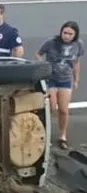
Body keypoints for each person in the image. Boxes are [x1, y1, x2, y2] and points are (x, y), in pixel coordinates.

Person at [37, 21, 83, 150]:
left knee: (63, 110)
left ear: (75, 35)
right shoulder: (51, 42)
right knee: (51, 108)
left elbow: (76, 62)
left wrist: (76, 79)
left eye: (70, 34)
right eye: (65, 33)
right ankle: (44, 134)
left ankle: (63, 136)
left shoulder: (78, 44)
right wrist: (43, 67)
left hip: (65, 80)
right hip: (51, 79)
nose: (67, 36)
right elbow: (39, 54)